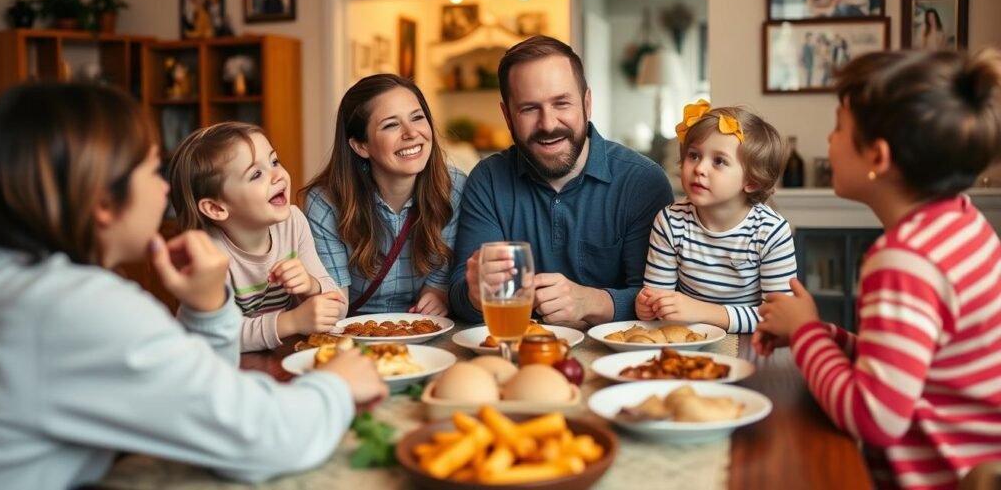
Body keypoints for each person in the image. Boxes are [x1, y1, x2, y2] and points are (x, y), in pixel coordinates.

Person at [0, 84, 387, 490]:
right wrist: (336, 385)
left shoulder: (7, 285)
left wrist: (209, 309)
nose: (164, 189)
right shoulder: (76, 309)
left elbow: (204, 398)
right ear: (103, 203)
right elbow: (257, 436)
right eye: (151, 168)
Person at [754, 49, 1001, 488]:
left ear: (878, 158)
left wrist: (808, 332)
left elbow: (873, 417)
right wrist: (820, 333)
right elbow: (904, 362)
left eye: (838, 128)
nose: (828, 141)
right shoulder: (962, 223)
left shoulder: (905, 260)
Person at [448, 36, 674, 325]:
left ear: (587, 103)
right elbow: (459, 299)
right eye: (529, 108)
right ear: (507, 116)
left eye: (561, 103)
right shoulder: (488, 180)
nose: (548, 124)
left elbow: (661, 300)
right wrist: (475, 294)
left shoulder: (642, 181)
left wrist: (590, 301)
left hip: (622, 359)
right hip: (516, 353)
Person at [168, 122, 346, 352]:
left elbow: (339, 307)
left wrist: (311, 287)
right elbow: (213, 337)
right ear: (216, 208)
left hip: (277, 362)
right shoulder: (208, 255)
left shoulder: (293, 222)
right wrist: (291, 322)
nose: (277, 176)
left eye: (274, 161)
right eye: (256, 175)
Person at [302, 74, 465, 316]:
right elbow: (335, 302)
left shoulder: (454, 186)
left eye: (417, 118)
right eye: (391, 124)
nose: (411, 133)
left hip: (423, 327)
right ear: (361, 146)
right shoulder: (325, 202)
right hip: (354, 328)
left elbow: (438, 284)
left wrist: (436, 295)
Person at [635, 101, 795, 333]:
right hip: (688, 337)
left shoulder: (771, 232)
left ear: (752, 181)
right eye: (694, 155)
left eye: (719, 161)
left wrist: (703, 311)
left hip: (750, 344)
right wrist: (648, 306)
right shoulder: (670, 221)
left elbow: (778, 319)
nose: (700, 168)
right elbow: (658, 300)